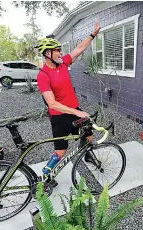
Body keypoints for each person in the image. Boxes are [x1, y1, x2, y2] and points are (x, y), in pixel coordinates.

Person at [35, 21, 101, 184]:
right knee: (60, 151)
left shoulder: (63, 63)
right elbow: (52, 104)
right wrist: (78, 112)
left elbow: (79, 49)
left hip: (74, 110)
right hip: (60, 117)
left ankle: (87, 155)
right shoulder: (43, 75)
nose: (60, 53)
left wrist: (93, 35)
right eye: (56, 50)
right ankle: (45, 177)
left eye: (59, 50)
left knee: (89, 135)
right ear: (47, 54)